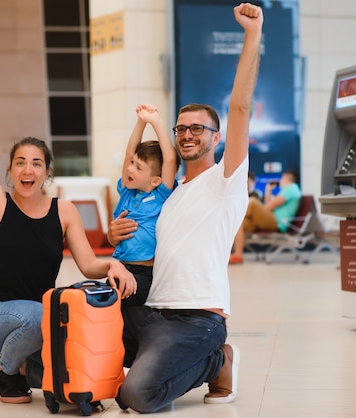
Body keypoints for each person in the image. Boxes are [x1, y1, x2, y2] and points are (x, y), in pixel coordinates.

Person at [0, 60, 136, 405]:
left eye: (36, 162)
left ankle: (27, 367)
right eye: (20, 162)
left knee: (60, 318)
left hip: (37, 322)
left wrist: (115, 265)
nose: (28, 169)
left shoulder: (63, 210)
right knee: (45, 311)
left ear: (47, 172)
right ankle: (3, 371)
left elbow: (87, 264)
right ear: (10, 170)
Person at [106, 3, 263, 412]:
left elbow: (241, 107)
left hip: (198, 319)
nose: (187, 133)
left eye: (198, 128)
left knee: (136, 395)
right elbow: (146, 241)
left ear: (216, 136)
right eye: (181, 127)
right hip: (150, 310)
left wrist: (252, 35)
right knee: (80, 310)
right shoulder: (169, 191)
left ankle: (217, 360)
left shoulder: (224, 181)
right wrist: (114, 241)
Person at [111, 103, 177, 306]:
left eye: (138, 167)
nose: (130, 168)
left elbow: (170, 160)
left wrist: (156, 122)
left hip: (146, 272)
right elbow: (130, 152)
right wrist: (141, 122)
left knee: (126, 304)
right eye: (132, 164)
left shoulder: (160, 195)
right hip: (121, 266)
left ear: (155, 180)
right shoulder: (126, 191)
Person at [229, 169, 301, 264]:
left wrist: (257, 214)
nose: (281, 180)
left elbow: (271, 206)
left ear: (287, 177)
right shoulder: (287, 190)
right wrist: (268, 190)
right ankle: (238, 255)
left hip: (277, 222)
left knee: (253, 201)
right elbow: (269, 205)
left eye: (283, 177)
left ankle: (235, 213)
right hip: (271, 219)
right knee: (239, 223)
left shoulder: (292, 188)